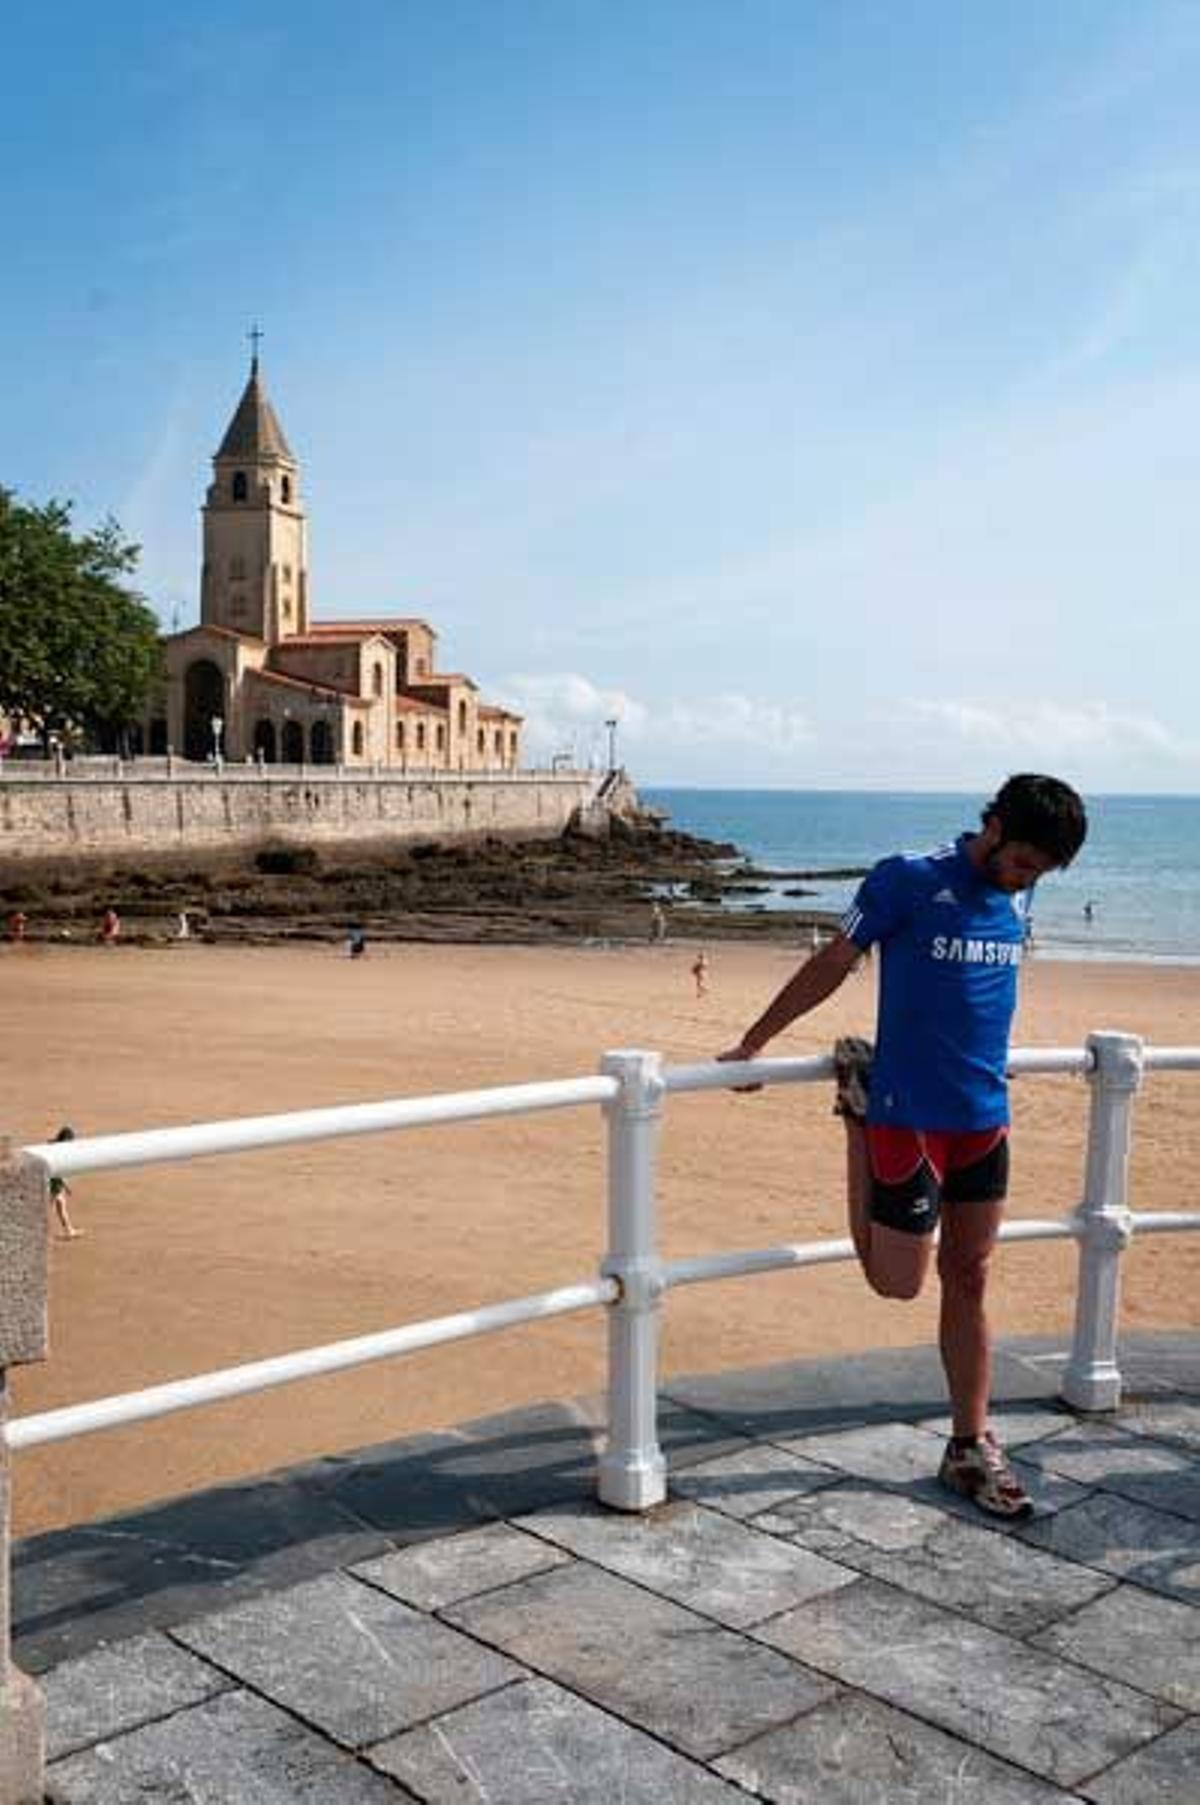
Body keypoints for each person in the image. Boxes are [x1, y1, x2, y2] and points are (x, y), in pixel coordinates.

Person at [719, 774, 1087, 1519]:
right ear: (992, 825)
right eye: (1019, 864)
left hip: (985, 1112)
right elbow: (833, 960)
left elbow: (983, 991)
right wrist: (754, 1043)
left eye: (1038, 874)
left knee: (973, 1273)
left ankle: (970, 1443)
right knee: (899, 1283)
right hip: (906, 1113)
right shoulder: (908, 879)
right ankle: (854, 1117)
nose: (1023, 880)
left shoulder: (1020, 895)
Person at [49, 1125, 82, 1239]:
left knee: (60, 1207)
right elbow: (57, 1170)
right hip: (53, 1183)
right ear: (66, 1139)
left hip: (53, 1182)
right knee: (51, 1209)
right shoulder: (59, 1149)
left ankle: (69, 1230)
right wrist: (66, 1186)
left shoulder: (54, 1145)